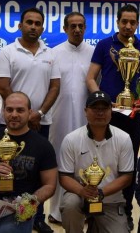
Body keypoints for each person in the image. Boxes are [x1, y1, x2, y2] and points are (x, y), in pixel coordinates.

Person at [0, 7, 60, 232]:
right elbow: (2, 85)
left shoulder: (50, 54)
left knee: (39, 171)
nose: (33, 26)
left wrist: (37, 114)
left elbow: (55, 87)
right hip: (10, 124)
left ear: (42, 27)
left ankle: (37, 217)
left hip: (41, 122)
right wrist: (21, 115)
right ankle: (4, 212)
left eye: (37, 23)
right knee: (10, 169)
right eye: (29, 22)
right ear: (20, 25)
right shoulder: (7, 52)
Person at [86, 4, 140, 229]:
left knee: (128, 166)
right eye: (124, 21)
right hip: (106, 114)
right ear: (117, 22)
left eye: (133, 22)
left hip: (132, 117)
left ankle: (126, 209)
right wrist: (101, 99)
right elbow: (91, 77)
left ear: (137, 24)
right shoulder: (105, 45)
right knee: (99, 162)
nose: (128, 26)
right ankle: (94, 206)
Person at [0, 92, 57, 233]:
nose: (14, 114)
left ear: (29, 112)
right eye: (9, 109)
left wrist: (30, 201)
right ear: (3, 111)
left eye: (20, 110)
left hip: (20, 211)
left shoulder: (43, 145)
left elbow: (50, 185)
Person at [57, 90, 134, 232]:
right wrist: (82, 191)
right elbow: (64, 177)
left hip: (110, 199)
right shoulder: (71, 139)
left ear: (111, 111)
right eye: (95, 108)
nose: (100, 113)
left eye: (104, 108)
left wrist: (101, 192)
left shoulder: (124, 138)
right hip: (78, 195)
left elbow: (127, 177)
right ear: (86, 111)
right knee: (70, 204)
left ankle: (95, 226)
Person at [47, 12, 95, 224]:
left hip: (87, 121)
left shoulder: (94, 54)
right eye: (72, 26)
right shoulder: (53, 53)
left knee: (86, 165)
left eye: (80, 26)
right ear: (65, 29)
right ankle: (56, 211)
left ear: (85, 28)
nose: (77, 30)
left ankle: (83, 211)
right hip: (59, 120)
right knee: (59, 164)